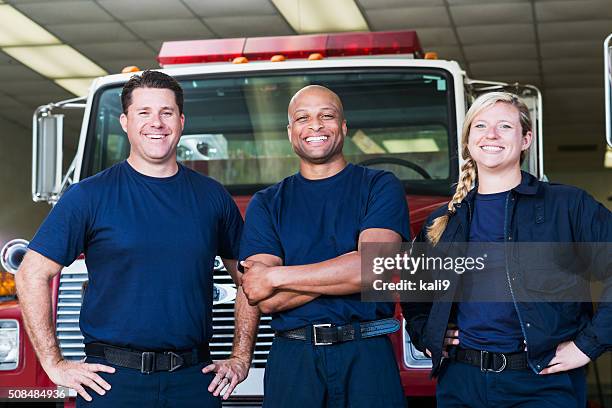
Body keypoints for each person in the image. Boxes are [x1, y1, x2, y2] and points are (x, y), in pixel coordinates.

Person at [15, 70, 260, 407]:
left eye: (166, 112)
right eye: (143, 113)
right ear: (125, 122)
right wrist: (54, 364)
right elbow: (30, 274)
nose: (156, 123)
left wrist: (241, 357)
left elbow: (252, 279)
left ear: (182, 121)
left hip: (194, 381)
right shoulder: (88, 196)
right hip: (112, 383)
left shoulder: (212, 197)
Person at [401, 92, 611, 407]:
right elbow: (414, 288)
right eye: (481, 126)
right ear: (468, 141)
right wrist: (426, 333)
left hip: (541, 384)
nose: (491, 135)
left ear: (526, 139)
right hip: (460, 383)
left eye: (505, 127)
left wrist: (588, 345)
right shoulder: (443, 220)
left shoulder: (567, 206)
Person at [238, 84, 409, 408]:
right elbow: (264, 299)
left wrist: (277, 276)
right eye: (303, 118)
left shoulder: (380, 185)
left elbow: (372, 270)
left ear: (343, 126)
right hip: (294, 360)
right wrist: (346, 266)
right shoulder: (267, 202)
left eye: (326, 116)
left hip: (367, 354)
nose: (315, 125)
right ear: (291, 133)